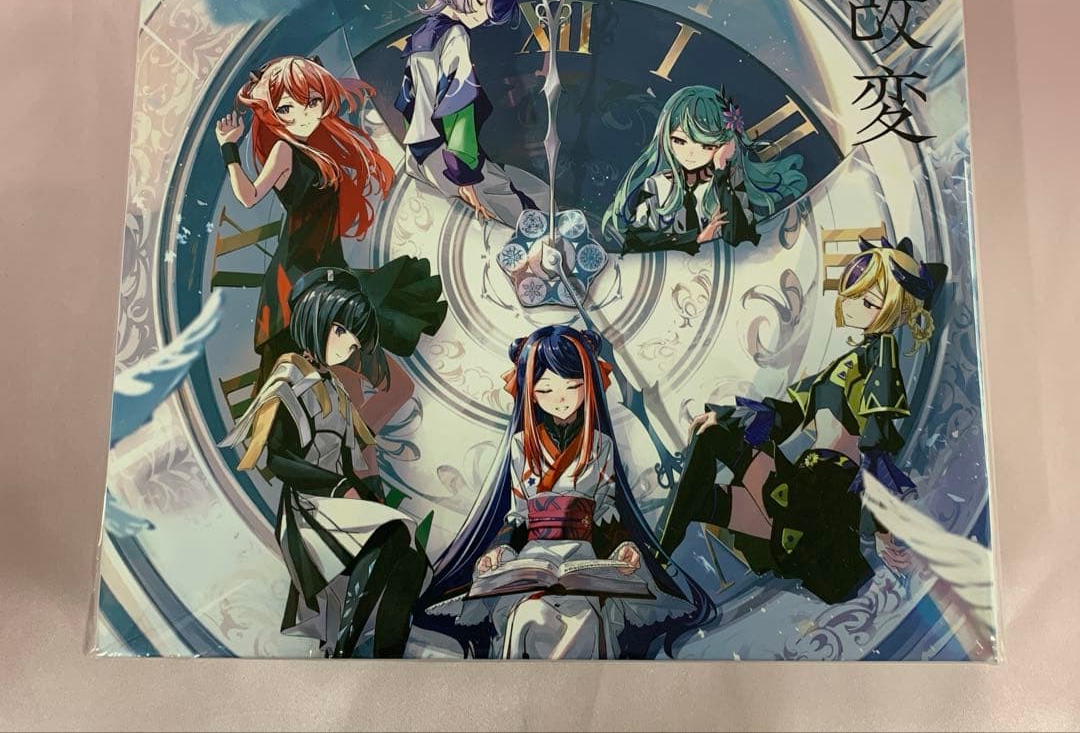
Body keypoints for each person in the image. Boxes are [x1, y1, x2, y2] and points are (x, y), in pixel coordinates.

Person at [658, 237, 947, 603]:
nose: (851, 302)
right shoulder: (847, 362)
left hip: (823, 490)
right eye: (855, 292)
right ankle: (654, 561)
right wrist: (731, 416)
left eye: (868, 300)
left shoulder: (881, 359)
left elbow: (876, 445)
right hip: (802, 487)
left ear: (896, 310)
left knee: (711, 445)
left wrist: (880, 530)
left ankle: (655, 556)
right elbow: (787, 413)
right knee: (701, 486)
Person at [420, 325, 712, 659]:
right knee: (529, 615)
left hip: (583, 559)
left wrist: (623, 546)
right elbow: (517, 513)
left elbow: (606, 509)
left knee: (584, 617)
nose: (560, 398)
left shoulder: (600, 445)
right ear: (531, 393)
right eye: (546, 389)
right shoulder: (521, 446)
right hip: (532, 560)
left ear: (589, 386)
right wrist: (499, 550)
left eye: (573, 386)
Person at [219, 258, 447, 657]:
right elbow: (279, 460)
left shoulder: (336, 389)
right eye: (342, 332)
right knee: (392, 535)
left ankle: (387, 659)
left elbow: (351, 454)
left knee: (412, 562)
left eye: (355, 341)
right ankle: (344, 650)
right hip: (309, 509)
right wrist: (341, 488)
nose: (349, 346)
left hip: (339, 503)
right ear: (317, 320)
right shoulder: (288, 381)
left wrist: (366, 491)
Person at [214, 55, 394, 390]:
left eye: (312, 102)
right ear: (273, 112)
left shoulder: (317, 146)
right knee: (291, 366)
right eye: (287, 108)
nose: (304, 115)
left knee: (348, 348)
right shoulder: (284, 150)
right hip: (297, 271)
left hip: (326, 262)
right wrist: (229, 149)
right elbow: (249, 196)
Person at [394, 0, 548, 226]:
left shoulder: (423, 36)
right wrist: (463, 175)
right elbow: (457, 108)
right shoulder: (455, 37)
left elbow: (410, 103)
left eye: (488, 11)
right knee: (521, 215)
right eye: (480, 2)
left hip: (422, 150)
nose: (481, 17)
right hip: (446, 157)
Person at [602, 85, 807, 254]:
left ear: (725, 144)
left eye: (706, 146)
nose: (690, 154)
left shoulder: (728, 184)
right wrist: (696, 239)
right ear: (665, 137)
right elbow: (634, 241)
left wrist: (721, 168)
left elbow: (740, 238)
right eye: (679, 140)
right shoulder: (656, 185)